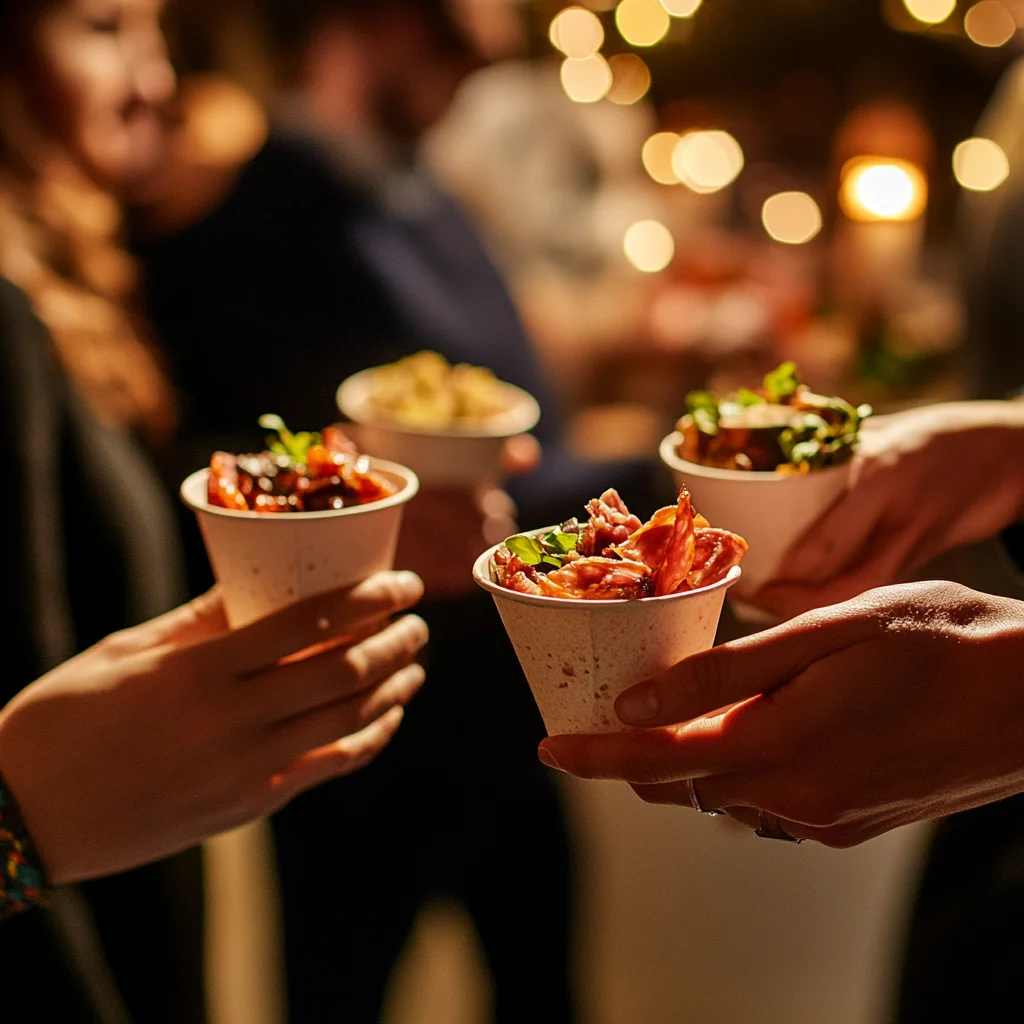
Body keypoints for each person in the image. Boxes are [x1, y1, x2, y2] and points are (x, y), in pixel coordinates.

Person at [130, 1, 664, 1019]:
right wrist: (663, 476)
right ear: (368, 18)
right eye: (458, 36)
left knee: (543, 989)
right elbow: (186, 463)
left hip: (504, 711)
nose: (498, 48)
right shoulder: (259, 218)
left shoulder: (425, 201)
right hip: (361, 729)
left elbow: (522, 435)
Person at [0, 0, 424, 1019]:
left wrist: (311, 505)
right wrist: (17, 835)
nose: (156, 84)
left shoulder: (64, 277)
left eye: (157, 39)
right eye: (103, 29)